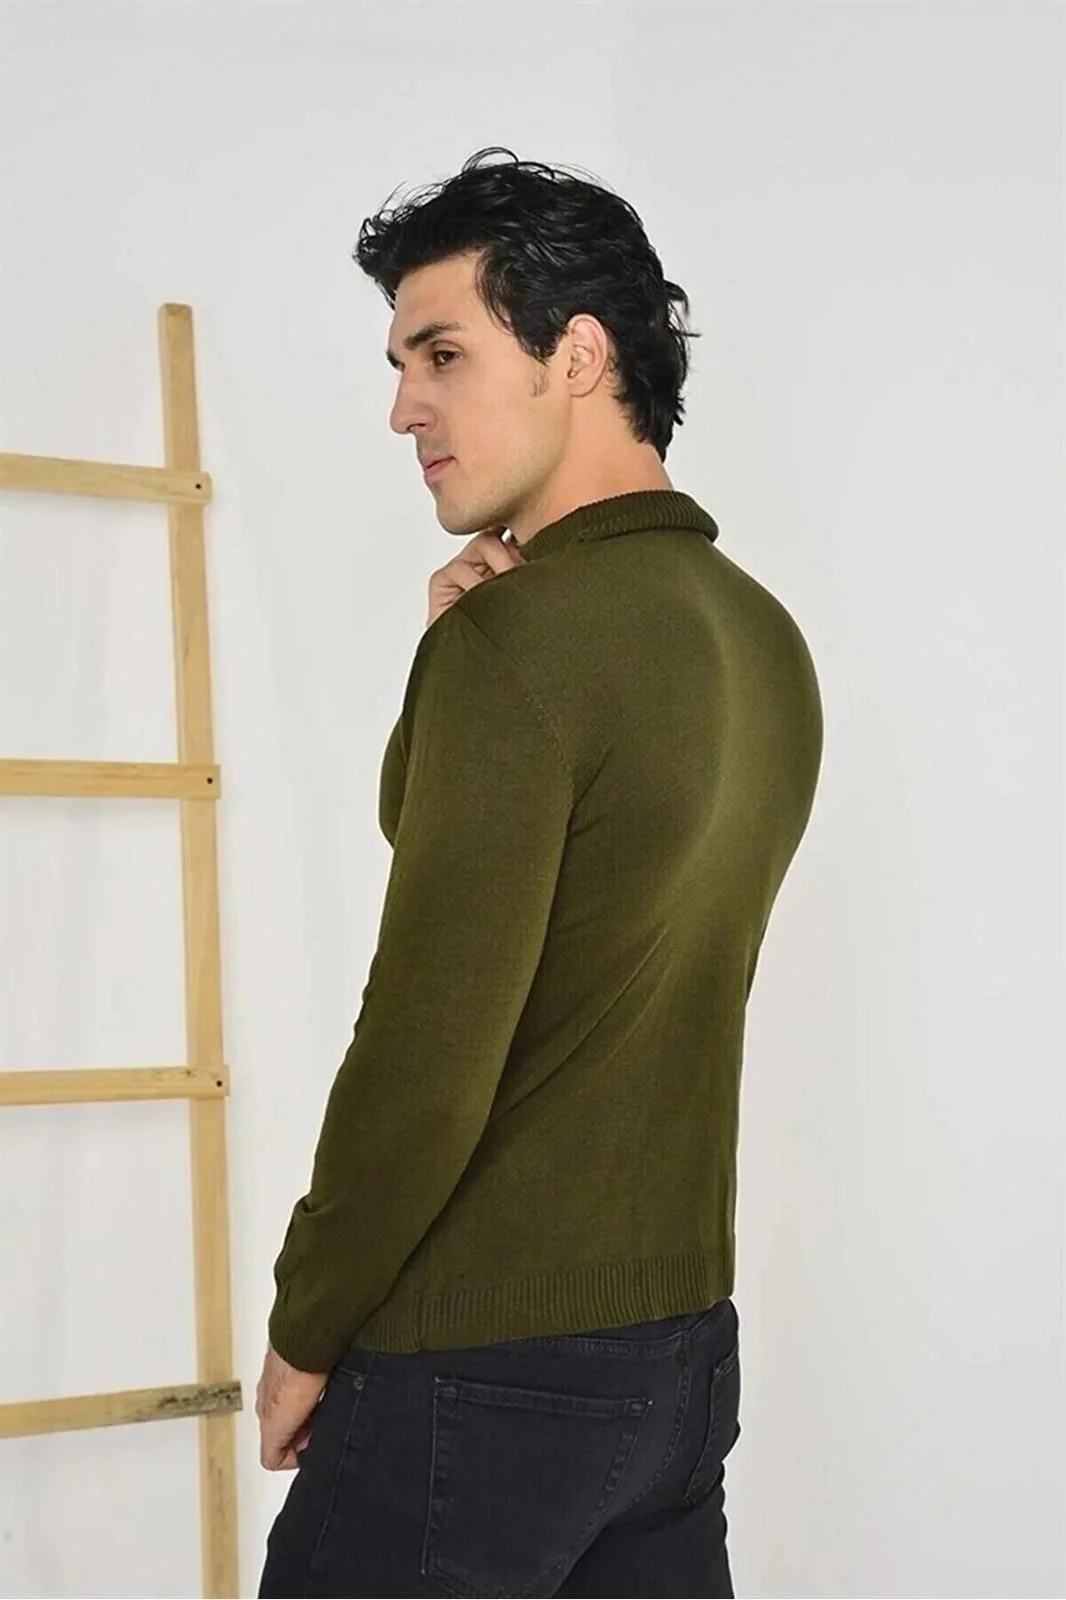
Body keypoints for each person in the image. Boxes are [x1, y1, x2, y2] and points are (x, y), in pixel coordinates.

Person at [256, 146, 823, 1598]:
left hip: (474, 1364)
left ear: (577, 355)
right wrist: (450, 660)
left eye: (442, 353)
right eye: (399, 365)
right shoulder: (760, 636)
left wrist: (309, 1322)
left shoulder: (527, 645)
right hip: (676, 1358)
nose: (404, 407)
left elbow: (427, 1048)